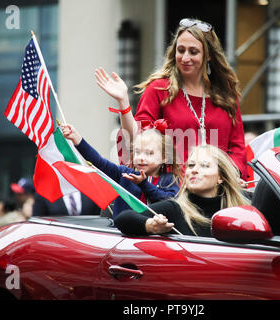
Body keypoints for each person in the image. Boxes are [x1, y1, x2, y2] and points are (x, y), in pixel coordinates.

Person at [101, 18, 248, 180]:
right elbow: (136, 139)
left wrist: (229, 176)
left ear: (209, 56)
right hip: (172, 188)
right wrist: (123, 103)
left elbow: (238, 147)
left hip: (219, 187)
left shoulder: (225, 93)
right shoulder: (159, 89)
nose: (185, 58)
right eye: (181, 50)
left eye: (193, 52)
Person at [114, 144, 250, 237]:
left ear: (221, 177)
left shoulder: (245, 206)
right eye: (191, 165)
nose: (194, 170)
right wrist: (150, 225)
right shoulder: (175, 208)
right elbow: (123, 219)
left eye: (204, 165)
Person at [61, 122, 181, 218]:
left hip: (154, 238)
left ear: (164, 157)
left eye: (149, 153)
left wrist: (143, 184)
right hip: (122, 237)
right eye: (137, 152)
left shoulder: (170, 180)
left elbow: (169, 204)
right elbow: (99, 162)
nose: (141, 158)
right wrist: (78, 140)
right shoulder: (125, 174)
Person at [33, 191, 101, 217]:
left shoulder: (91, 191)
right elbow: (37, 220)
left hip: (87, 241)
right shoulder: (43, 193)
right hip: (57, 241)